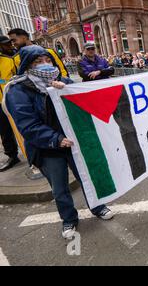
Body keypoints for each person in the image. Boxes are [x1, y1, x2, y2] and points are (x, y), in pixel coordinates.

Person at [4, 45, 114, 239]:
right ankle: (69, 219)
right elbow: (27, 125)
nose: (45, 65)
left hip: (74, 143)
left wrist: (68, 93)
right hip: (47, 148)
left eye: (47, 60)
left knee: (87, 177)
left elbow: (84, 105)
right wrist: (56, 139)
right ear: (27, 67)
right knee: (60, 187)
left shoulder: (64, 81)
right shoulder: (17, 91)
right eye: (38, 62)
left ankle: (98, 207)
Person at [0, 35, 20, 171]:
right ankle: (12, 156)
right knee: (5, 131)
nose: (9, 46)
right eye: (6, 44)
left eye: (10, 43)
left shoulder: (12, 59)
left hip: (13, 100)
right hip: (0, 104)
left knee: (23, 128)